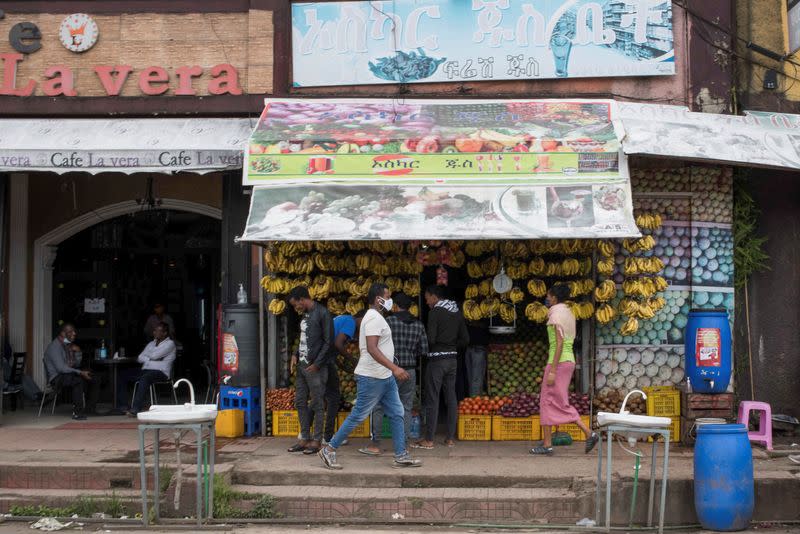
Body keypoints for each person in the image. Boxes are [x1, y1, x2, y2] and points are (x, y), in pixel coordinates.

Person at [319, 283, 422, 470]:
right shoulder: (374, 318)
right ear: (378, 299)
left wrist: (391, 370)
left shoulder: (376, 317)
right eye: (387, 296)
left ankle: (400, 454)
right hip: (372, 376)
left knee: (398, 412)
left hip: (384, 377)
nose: (390, 300)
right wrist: (395, 368)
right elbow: (372, 349)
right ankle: (329, 449)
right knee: (358, 415)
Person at [531, 284, 599, 455]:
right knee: (555, 401)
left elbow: (559, 342)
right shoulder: (569, 312)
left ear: (554, 297)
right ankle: (585, 434)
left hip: (558, 362)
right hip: (567, 361)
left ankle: (549, 445)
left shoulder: (555, 312)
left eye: (548, 296)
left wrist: (552, 369)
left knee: (547, 401)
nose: (547, 299)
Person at [361, 292, 427, 456]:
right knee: (405, 407)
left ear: (395, 306)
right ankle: (403, 444)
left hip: (389, 370)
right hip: (409, 371)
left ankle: (375, 444)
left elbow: (375, 345)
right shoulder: (418, 325)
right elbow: (424, 350)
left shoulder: (387, 321)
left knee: (377, 406)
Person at [415, 284, 469, 450]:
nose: (427, 302)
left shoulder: (435, 313)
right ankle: (450, 438)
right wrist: (451, 345)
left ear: (434, 296)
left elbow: (431, 339)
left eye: (427, 298)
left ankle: (429, 439)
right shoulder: (456, 312)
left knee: (433, 398)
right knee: (451, 397)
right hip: (452, 360)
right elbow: (465, 339)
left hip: (437, 361)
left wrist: (438, 345)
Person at [287, 286, 333, 455]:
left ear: (302, 299)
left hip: (316, 367)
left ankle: (316, 440)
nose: (295, 308)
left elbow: (329, 342)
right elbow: (303, 338)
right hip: (301, 365)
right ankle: (304, 438)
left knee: (317, 403)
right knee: (300, 401)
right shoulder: (305, 314)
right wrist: (295, 354)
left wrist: (317, 364)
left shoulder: (323, 313)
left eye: (295, 304)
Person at [319, 310, 365, 444]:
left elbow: (333, 344)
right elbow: (338, 344)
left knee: (321, 396)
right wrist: (353, 360)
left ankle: (304, 433)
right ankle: (327, 438)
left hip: (323, 359)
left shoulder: (343, 319)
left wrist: (341, 365)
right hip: (325, 360)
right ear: (359, 318)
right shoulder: (350, 322)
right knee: (333, 398)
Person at [118, 322, 176, 416]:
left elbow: (154, 355)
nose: (154, 333)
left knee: (145, 378)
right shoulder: (151, 343)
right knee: (122, 375)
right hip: (145, 370)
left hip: (161, 372)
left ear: (164, 333)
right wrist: (151, 358)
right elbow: (140, 358)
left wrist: (149, 356)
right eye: (154, 331)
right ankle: (123, 406)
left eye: (157, 331)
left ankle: (136, 409)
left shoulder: (170, 344)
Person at [43, 323, 97, 420]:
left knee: (93, 376)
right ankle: (77, 413)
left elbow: (75, 365)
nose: (74, 333)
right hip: (56, 378)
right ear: (63, 334)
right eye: (70, 332)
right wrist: (80, 372)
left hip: (66, 374)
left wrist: (78, 352)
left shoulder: (66, 345)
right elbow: (61, 368)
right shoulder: (55, 347)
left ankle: (90, 408)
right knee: (78, 380)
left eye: (74, 331)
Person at [465, 318, 489, 397]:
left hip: (479, 348)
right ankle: (472, 401)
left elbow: (485, 325)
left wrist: (472, 322)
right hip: (468, 347)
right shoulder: (468, 310)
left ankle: (475, 401)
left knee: (476, 378)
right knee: (470, 377)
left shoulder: (485, 311)